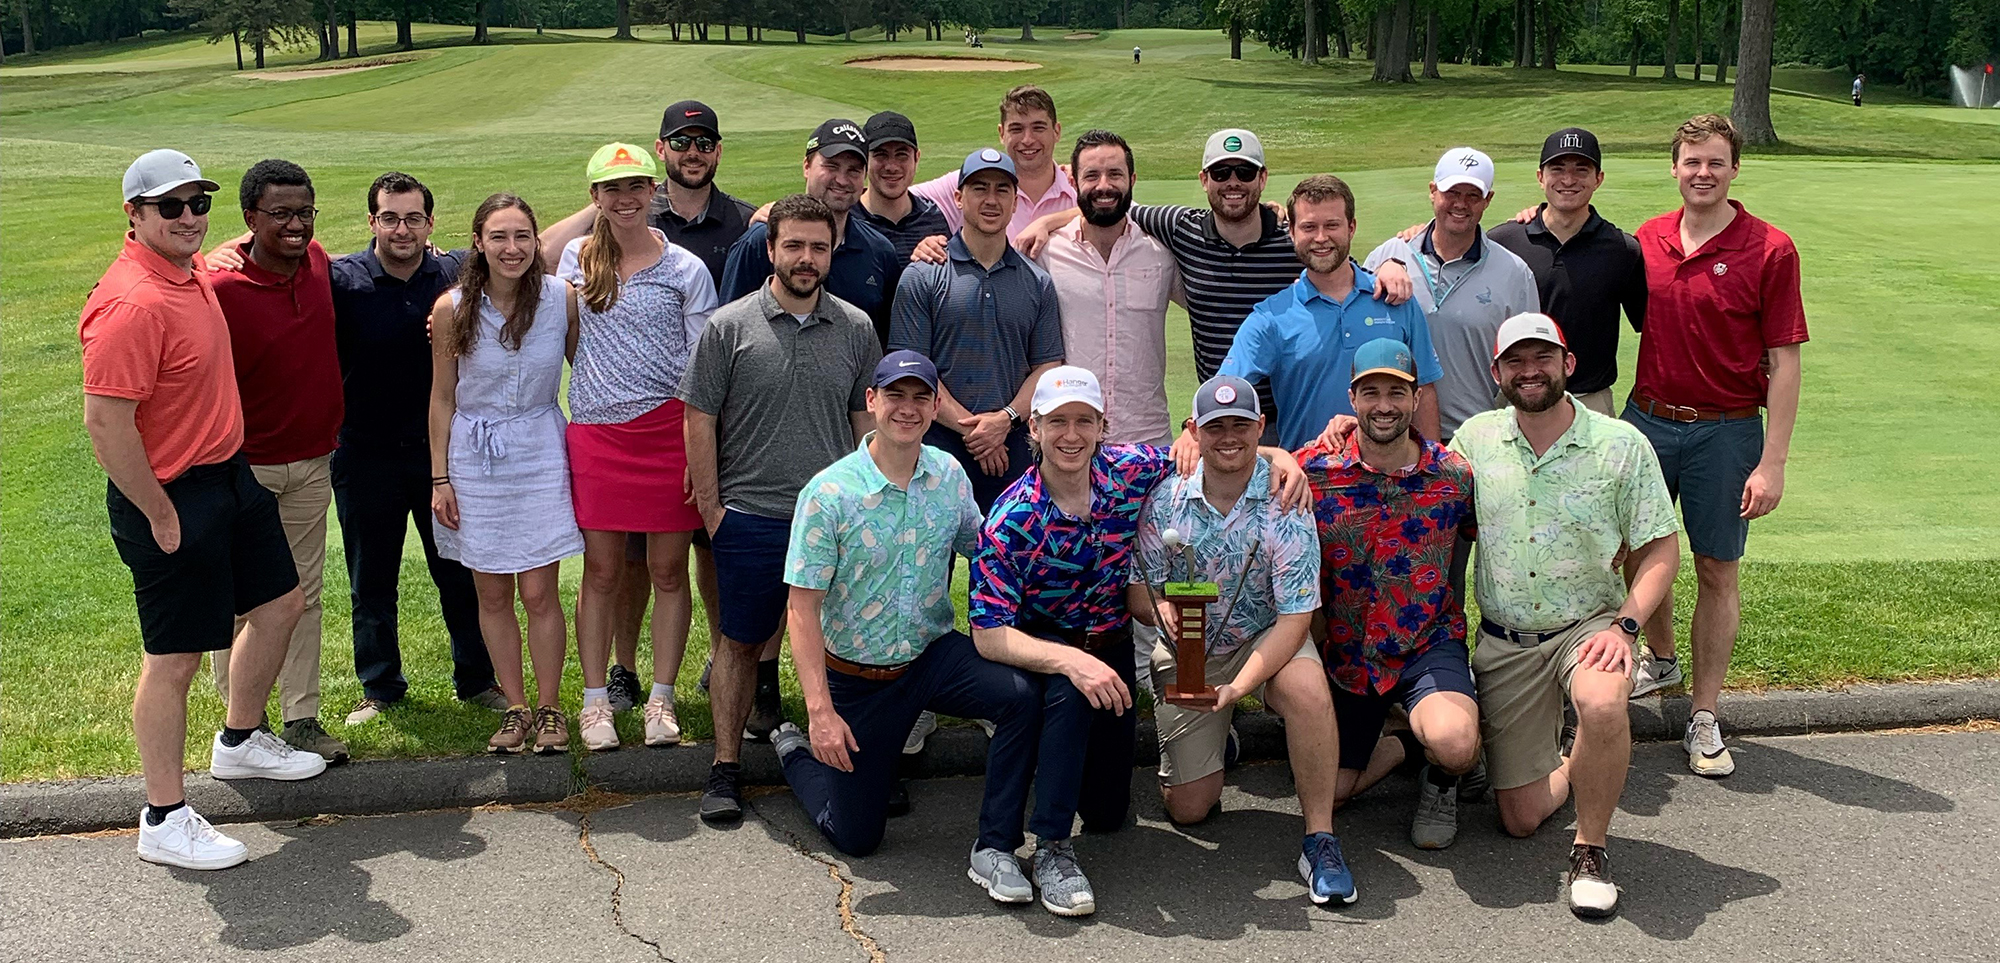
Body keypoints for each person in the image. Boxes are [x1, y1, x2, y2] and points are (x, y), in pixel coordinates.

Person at [969, 366, 1310, 917]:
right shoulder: (1011, 518)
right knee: (1065, 697)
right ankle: (1051, 847)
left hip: (1107, 643)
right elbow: (987, 632)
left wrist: (1281, 457)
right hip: (1038, 648)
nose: (1072, 435)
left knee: (1107, 811)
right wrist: (1070, 663)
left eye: (1085, 421)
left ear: (1104, 426)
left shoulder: (1129, 470)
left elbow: (1219, 448)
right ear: (1033, 428)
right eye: (1058, 422)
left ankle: (1063, 778)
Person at [84, 149, 325, 870]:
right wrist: (158, 512)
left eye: (198, 204)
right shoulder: (132, 302)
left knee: (280, 602)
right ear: (134, 214)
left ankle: (241, 740)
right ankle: (162, 815)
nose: (188, 218)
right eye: (170, 207)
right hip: (170, 494)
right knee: (175, 656)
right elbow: (105, 422)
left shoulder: (191, 273)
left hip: (228, 476)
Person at [770, 350, 1042, 896]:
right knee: (857, 838)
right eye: (896, 395)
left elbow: (984, 550)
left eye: (922, 397)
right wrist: (821, 713)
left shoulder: (947, 474)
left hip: (932, 656)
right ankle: (794, 750)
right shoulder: (829, 494)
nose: (909, 408)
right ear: (872, 402)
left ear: (936, 405)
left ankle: (995, 845)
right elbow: (802, 611)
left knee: (1021, 695)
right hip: (859, 678)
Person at [1450, 312, 1681, 918]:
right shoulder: (1474, 440)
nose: (1531, 371)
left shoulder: (1620, 443)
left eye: (1543, 358)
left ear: (1567, 364)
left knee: (1603, 704)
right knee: (1521, 819)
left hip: (1590, 626)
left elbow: (1660, 546)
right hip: (1506, 641)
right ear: (1496, 371)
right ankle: (1579, 757)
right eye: (1517, 361)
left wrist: (1628, 625)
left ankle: (1591, 848)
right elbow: (1417, 485)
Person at [1013, 129, 1413, 446]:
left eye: (1244, 172)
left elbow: (1333, 258)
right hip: (1217, 420)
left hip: (1281, 419)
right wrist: (1048, 222)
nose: (1233, 182)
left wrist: (1386, 266)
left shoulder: (1291, 238)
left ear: (1263, 178)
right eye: (1222, 173)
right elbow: (1109, 205)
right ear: (1204, 180)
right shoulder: (1180, 228)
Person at [681, 193, 881, 823]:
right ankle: (725, 768)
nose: (805, 258)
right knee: (739, 644)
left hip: (832, 522)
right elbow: (699, 419)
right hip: (751, 516)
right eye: (793, 245)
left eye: (818, 247)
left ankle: (856, 762)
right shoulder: (729, 325)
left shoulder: (855, 327)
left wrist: (869, 508)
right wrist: (714, 510)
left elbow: (865, 428)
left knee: (849, 644)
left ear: (830, 254)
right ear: (770, 249)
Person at [1626, 114, 1808, 774]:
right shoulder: (1645, 238)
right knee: (1635, 551)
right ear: (1673, 167)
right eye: (1691, 161)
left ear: (1734, 168)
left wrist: (1773, 461)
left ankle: (1703, 714)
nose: (1702, 172)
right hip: (1645, 421)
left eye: (1715, 162)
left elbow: (1784, 361)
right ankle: (1663, 658)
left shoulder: (1770, 249)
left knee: (1714, 567)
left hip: (1727, 430)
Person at [545, 100, 737, 721]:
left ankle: (661, 697)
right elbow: (551, 304)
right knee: (601, 572)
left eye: (635, 186)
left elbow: (699, 366)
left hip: (666, 433)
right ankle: (596, 699)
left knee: (668, 571)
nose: (625, 198)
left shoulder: (684, 267)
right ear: (595, 195)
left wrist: (693, 446)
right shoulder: (577, 259)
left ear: (651, 190)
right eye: (611, 188)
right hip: (598, 432)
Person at [1136, 375, 1355, 905]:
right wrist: (1165, 608)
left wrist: (1239, 689)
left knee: (1306, 690)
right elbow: (1135, 591)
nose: (1228, 437)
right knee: (1189, 808)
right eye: (1215, 427)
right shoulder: (1166, 498)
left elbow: (1295, 620)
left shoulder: (1287, 499)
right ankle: (1220, 738)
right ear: (1195, 431)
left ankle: (1320, 839)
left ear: (1261, 427)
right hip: (1192, 647)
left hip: (1267, 638)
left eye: (1240, 425)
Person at [322, 173, 505, 727]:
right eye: (390, 218)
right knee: (371, 577)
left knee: (457, 571)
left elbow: (525, 254)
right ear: (371, 222)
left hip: (443, 456)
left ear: (430, 223)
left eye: (413, 218)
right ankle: (380, 687)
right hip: (364, 453)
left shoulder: (455, 276)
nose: (402, 229)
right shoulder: (340, 281)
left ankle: (477, 679)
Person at [1295, 339, 1481, 852]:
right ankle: (1401, 745)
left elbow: (1499, 536)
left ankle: (1444, 773)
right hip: (1349, 655)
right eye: (1370, 392)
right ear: (1351, 398)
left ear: (1417, 397)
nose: (1384, 405)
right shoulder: (1312, 470)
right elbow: (1253, 465)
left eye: (1396, 392)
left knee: (1455, 743)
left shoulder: (1454, 476)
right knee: (1326, 795)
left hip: (1427, 641)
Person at [428, 193, 586, 755]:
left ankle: (550, 709)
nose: (512, 248)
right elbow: (442, 398)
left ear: (535, 241)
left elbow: (584, 373)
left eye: (522, 236)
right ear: (478, 242)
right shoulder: (452, 307)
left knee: (540, 591)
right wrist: (439, 478)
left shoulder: (559, 299)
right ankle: (515, 707)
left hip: (540, 449)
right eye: (499, 236)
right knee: (490, 592)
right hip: (474, 458)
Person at [206, 159, 347, 765]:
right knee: (243, 600)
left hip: (313, 462)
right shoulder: (218, 285)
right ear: (249, 219)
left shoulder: (316, 261)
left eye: (304, 212)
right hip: (246, 466)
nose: (295, 225)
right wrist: (203, 258)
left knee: (303, 595)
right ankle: (244, 724)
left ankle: (302, 718)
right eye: (280, 214)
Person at [889, 148, 1065, 511]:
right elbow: (912, 368)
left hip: (1012, 446)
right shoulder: (922, 275)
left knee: (1010, 561)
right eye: (979, 188)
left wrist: (1004, 420)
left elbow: (1048, 366)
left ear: (1015, 201)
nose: (991, 199)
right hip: (937, 445)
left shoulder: (1037, 282)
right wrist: (973, 430)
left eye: (1002, 190)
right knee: (931, 563)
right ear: (958, 197)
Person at [1220, 175, 1443, 449]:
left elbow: (1426, 390)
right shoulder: (1270, 318)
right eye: (1309, 227)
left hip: (1392, 479)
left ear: (1351, 228)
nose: (1321, 238)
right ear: (1292, 233)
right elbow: (1225, 393)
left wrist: (1434, 467)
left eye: (1332, 225)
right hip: (1307, 480)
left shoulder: (1397, 301)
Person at [1363, 148, 1540, 442]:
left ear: (1488, 200)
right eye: (1452, 192)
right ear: (1433, 192)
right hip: (1389, 436)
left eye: (1473, 195)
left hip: (1476, 437)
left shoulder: (1515, 273)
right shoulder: (1387, 256)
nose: (1461, 204)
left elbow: (1525, 363)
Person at [1484, 128, 1647, 418]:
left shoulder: (1622, 250)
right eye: (1557, 169)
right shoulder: (1502, 242)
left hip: (1590, 402)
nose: (1568, 180)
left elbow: (1652, 327)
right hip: (1514, 399)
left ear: (1598, 179)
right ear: (1540, 177)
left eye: (1581, 170)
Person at [1034, 129, 1180, 447]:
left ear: (1132, 179)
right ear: (1072, 182)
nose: (1104, 186)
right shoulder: (1045, 253)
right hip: (1071, 441)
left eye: (1115, 174)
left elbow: (1212, 295)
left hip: (1148, 437)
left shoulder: (1161, 250)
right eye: (1092, 175)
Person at [721, 119, 901, 344]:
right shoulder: (761, 241)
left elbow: (886, 341)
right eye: (831, 166)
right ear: (807, 166)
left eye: (853, 170)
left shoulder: (880, 251)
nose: (842, 180)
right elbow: (727, 332)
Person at [910, 85, 1076, 241]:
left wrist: (1051, 221)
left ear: (1056, 132)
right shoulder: (968, 183)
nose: (1027, 140)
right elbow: (898, 198)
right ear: (1001, 133)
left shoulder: (1078, 190)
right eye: (1016, 129)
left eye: (1038, 128)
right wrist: (927, 242)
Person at [854, 111, 950, 264]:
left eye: (901, 155)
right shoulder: (846, 220)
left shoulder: (936, 219)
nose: (892, 166)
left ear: (916, 158)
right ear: (865, 159)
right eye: (881, 155)